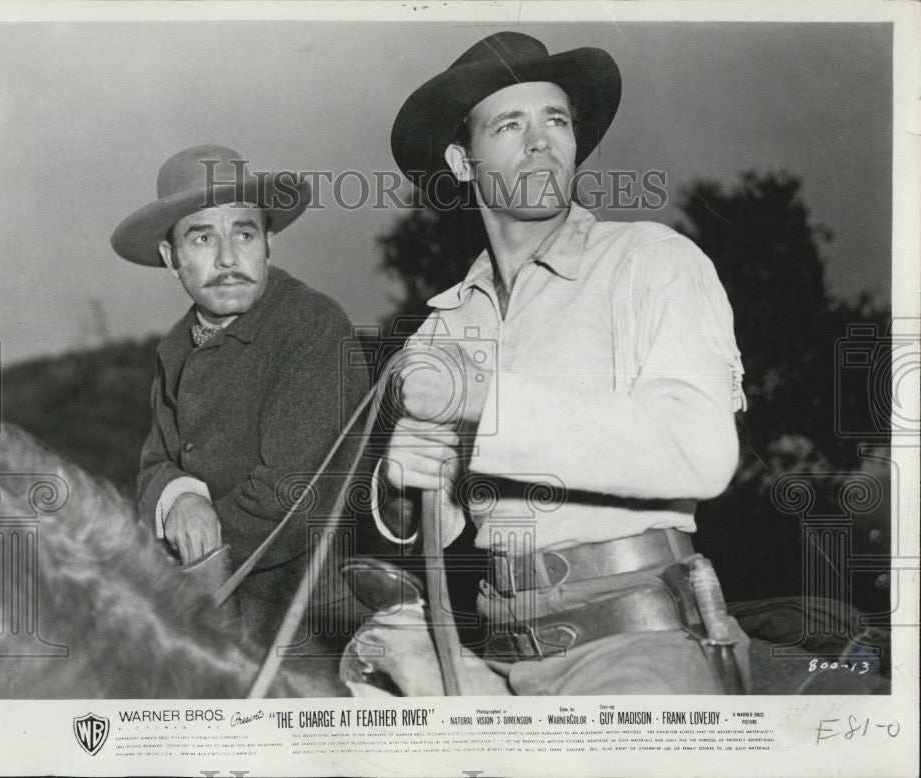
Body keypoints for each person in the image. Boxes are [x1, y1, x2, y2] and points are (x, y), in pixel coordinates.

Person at [372, 32, 751, 695]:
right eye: (510, 124)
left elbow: (703, 447)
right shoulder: (442, 327)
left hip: (639, 640)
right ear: (463, 162)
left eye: (555, 119)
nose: (540, 139)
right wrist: (403, 492)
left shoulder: (652, 260)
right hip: (496, 649)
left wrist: (483, 400)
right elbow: (439, 522)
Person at [111, 145, 368, 638]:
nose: (228, 258)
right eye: (202, 237)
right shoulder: (174, 346)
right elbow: (154, 463)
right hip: (211, 607)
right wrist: (179, 497)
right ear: (172, 257)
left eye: (244, 233)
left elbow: (291, 499)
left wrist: (186, 557)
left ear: (268, 242)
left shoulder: (311, 325)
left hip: (306, 616)